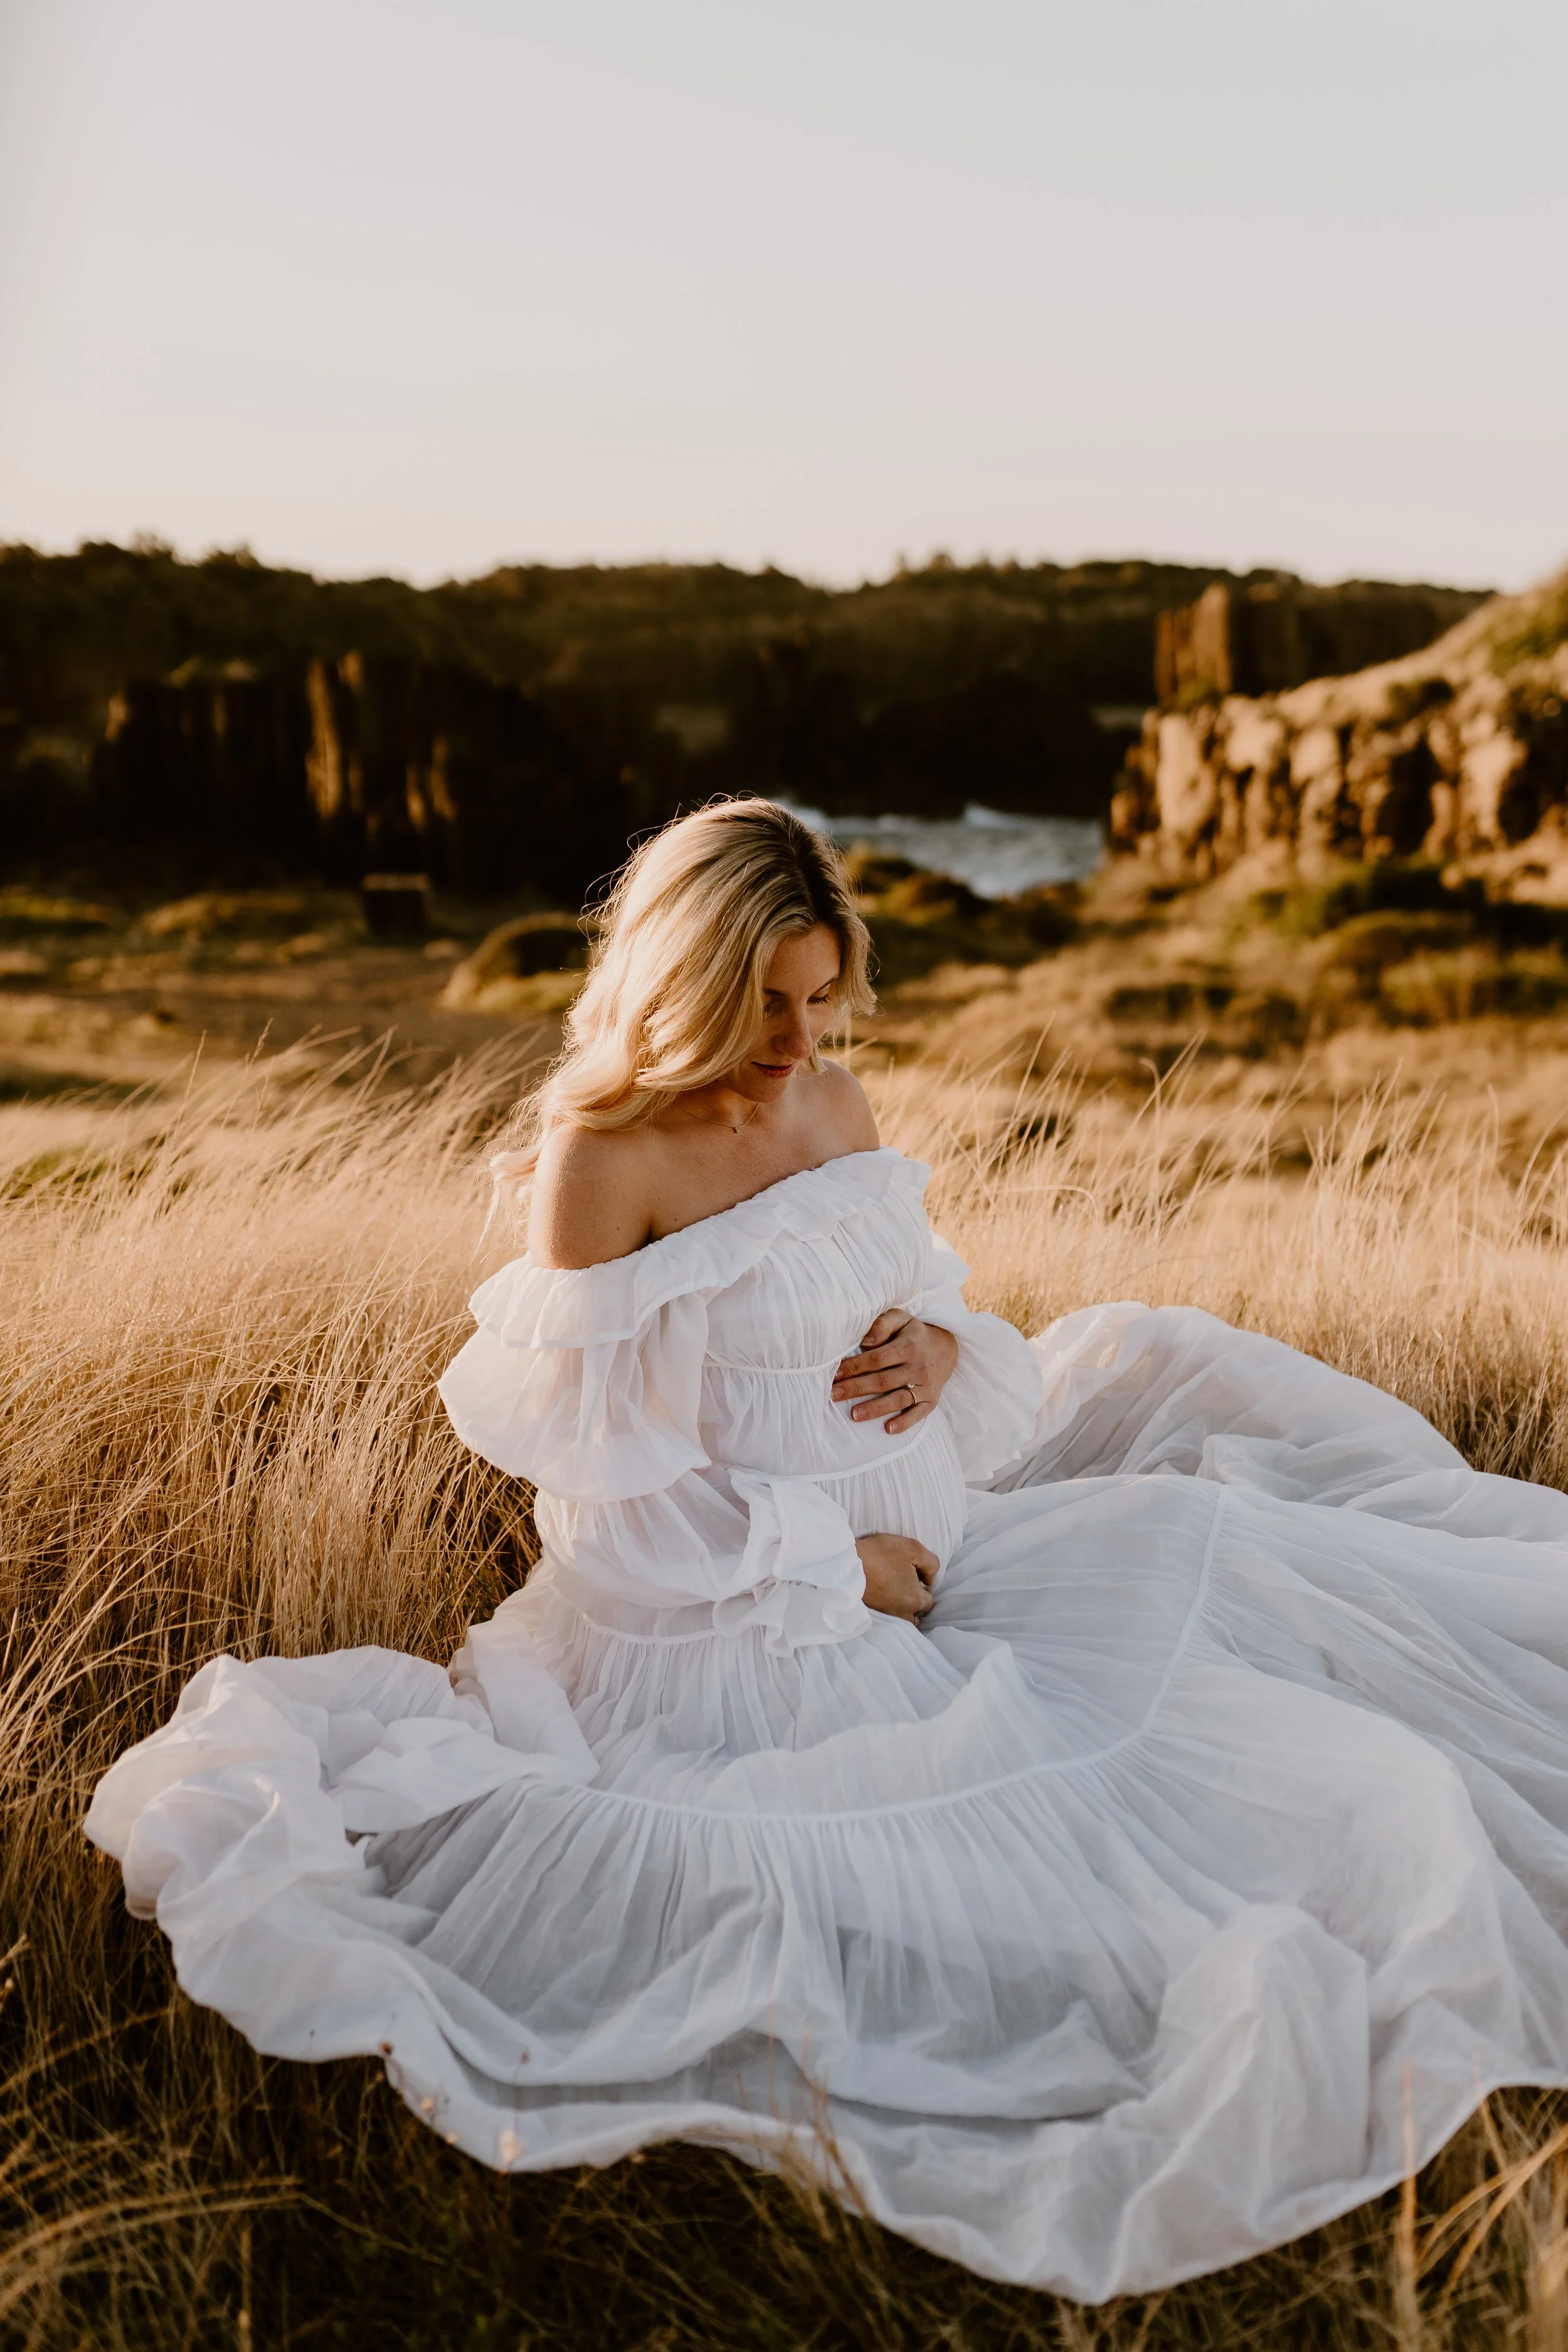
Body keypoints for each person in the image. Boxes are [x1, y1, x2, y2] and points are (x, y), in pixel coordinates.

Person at [87, 798, 1568, 2303]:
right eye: (762, 1003)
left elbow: (911, 1292)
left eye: (816, 997)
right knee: (1035, 1912)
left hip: (948, 1548)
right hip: (731, 1625)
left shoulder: (837, 1107)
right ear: (679, 982)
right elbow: (608, 1502)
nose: (798, 1039)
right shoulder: (604, 1161)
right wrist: (829, 1565)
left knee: (1327, 1706)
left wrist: (934, 1350)